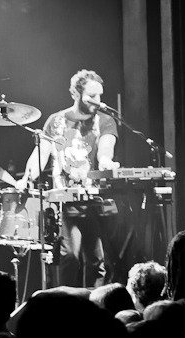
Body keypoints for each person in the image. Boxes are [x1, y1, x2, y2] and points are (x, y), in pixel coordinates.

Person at [16, 69, 119, 288]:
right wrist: (27, 177)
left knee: (97, 262)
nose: (98, 101)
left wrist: (106, 161)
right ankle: (66, 303)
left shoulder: (105, 120)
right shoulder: (56, 121)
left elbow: (105, 149)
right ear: (75, 94)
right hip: (64, 203)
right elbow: (40, 155)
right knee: (70, 256)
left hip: (94, 201)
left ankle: (94, 303)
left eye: (100, 96)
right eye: (91, 96)